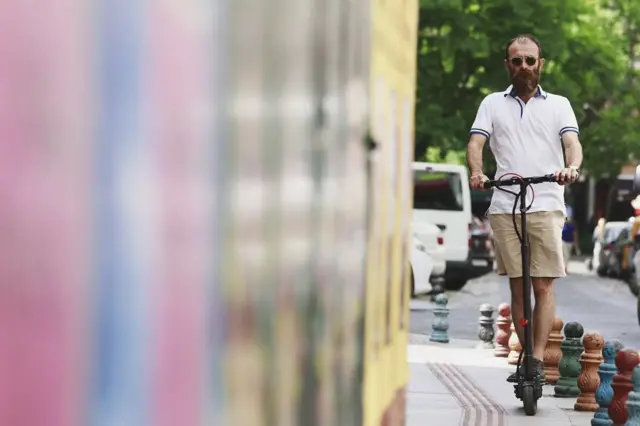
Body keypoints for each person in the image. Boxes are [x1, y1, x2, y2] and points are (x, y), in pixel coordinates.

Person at [466, 34, 582, 383]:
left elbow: (572, 143)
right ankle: (524, 355)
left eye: (530, 60)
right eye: (517, 61)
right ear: (508, 65)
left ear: (540, 63)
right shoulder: (492, 103)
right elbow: (476, 142)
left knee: (543, 284)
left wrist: (571, 167)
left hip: (546, 201)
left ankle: (533, 358)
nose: (524, 67)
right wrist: (477, 171)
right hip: (505, 203)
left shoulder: (559, 104)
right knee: (518, 285)